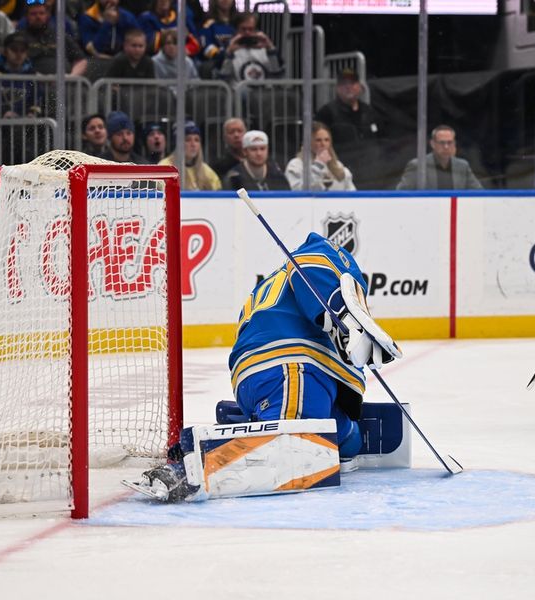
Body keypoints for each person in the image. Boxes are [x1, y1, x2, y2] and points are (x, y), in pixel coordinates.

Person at [135, 231, 401, 501]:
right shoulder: (323, 258)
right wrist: (339, 313)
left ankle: (252, 421)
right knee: (295, 452)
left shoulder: (275, 285)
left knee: (345, 445)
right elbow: (314, 262)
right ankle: (192, 463)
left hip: (268, 373)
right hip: (292, 367)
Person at [315, 67, 387, 189]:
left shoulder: (369, 112)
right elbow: (319, 144)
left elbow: (382, 141)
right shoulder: (327, 113)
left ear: (359, 86)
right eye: (344, 84)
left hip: (371, 176)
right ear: (337, 88)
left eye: (352, 83)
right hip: (341, 175)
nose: (348, 87)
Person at [396, 125, 484, 190]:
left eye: (449, 143)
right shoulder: (418, 165)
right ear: (432, 144)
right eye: (442, 143)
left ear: (454, 144)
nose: (446, 147)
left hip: (454, 212)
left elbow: (479, 192)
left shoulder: (462, 166)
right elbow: (401, 194)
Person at [0, 32, 42, 120]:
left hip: (25, 124)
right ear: (4, 51)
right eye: (14, 49)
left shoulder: (32, 75)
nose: (19, 54)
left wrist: (32, 113)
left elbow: (37, 100)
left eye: (22, 50)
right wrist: (2, 113)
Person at [20, 0, 88, 76]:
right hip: (32, 83)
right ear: (26, 17)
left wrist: (70, 77)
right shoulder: (20, 38)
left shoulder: (60, 36)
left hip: (65, 83)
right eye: (33, 14)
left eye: (41, 13)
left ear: (47, 15)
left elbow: (81, 60)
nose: (38, 17)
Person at [285, 121, 356, 191]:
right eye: (318, 140)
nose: (323, 144)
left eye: (327, 140)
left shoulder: (338, 166)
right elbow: (300, 192)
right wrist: (318, 166)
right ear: (309, 143)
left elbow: (352, 194)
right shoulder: (296, 165)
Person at [218, 12, 283, 82]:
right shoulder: (228, 50)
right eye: (243, 29)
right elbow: (223, 79)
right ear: (236, 30)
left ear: (256, 30)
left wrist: (270, 48)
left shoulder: (266, 49)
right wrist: (229, 53)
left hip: (263, 91)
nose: (247, 32)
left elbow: (277, 76)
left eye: (251, 29)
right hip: (237, 91)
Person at [159, 120, 222, 191]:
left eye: (197, 140)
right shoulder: (165, 167)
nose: (193, 144)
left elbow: (217, 194)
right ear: (178, 144)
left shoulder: (206, 171)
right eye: (188, 140)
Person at [223, 129, 290, 191]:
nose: (259, 153)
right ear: (244, 151)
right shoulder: (234, 178)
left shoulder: (277, 174)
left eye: (262, 148)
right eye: (254, 149)